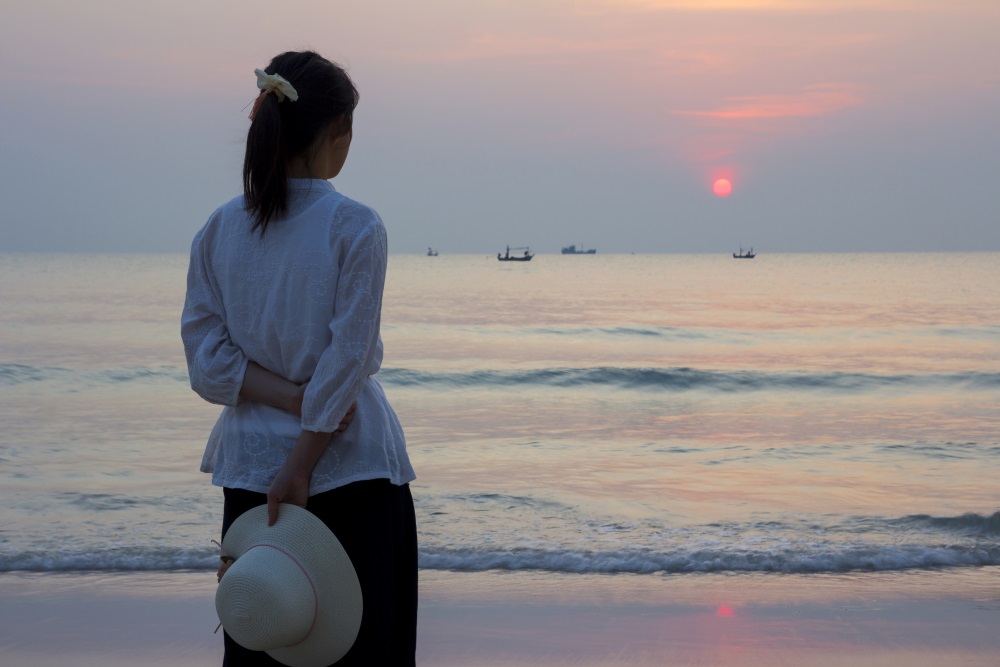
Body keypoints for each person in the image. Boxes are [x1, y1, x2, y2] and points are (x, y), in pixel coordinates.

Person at [181, 50, 417, 666]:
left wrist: (285, 403)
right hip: (346, 474)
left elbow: (207, 362)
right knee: (365, 651)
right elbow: (349, 359)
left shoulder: (219, 228)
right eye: (348, 135)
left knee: (265, 637)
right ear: (333, 136)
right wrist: (302, 460)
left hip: (250, 477)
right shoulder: (355, 226)